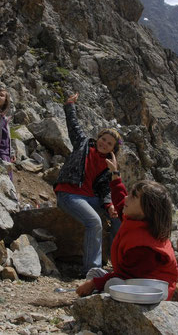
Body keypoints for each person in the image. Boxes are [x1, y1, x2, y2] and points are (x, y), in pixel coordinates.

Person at [75, 152, 178, 300]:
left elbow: (125, 275)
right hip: (135, 277)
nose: (126, 198)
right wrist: (115, 174)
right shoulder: (139, 220)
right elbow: (119, 203)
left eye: (133, 197)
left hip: (153, 289)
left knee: (113, 282)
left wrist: (93, 284)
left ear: (147, 209)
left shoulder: (144, 247)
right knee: (96, 273)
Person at [54, 92, 122, 276]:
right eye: (103, 139)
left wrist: (109, 205)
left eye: (109, 144)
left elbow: (105, 189)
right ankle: (92, 270)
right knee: (94, 222)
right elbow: (73, 126)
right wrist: (69, 106)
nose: (104, 144)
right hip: (69, 194)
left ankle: (120, 264)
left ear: (113, 149)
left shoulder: (109, 165)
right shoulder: (83, 144)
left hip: (89, 198)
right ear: (98, 138)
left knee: (119, 216)